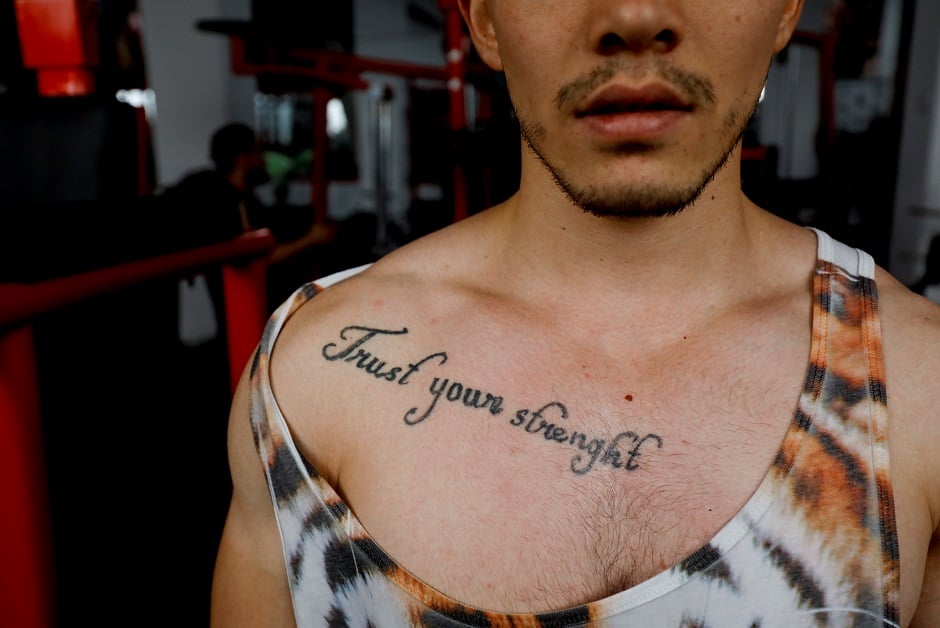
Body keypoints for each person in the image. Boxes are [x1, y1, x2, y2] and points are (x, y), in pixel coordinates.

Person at [210, 1, 939, 626]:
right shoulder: (310, 377)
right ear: (484, 19)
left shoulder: (921, 389)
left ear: (785, 9)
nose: (633, 18)